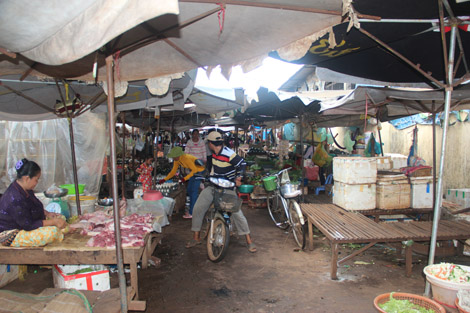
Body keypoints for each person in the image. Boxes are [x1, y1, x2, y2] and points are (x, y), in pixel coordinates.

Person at [186, 131, 257, 253]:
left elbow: (242, 164)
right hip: (213, 186)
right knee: (198, 207)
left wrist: (239, 177)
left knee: (237, 212)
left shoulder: (228, 153)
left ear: (211, 143)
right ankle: (196, 237)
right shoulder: (213, 154)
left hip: (228, 188)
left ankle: (249, 240)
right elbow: (212, 169)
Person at [0, 158, 67, 247]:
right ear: (27, 178)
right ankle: (60, 232)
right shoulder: (15, 198)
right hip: (12, 233)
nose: (37, 182)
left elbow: (34, 206)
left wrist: (48, 214)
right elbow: (28, 225)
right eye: (36, 179)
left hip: (25, 224)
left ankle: (61, 229)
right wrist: (53, 222)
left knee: (60, 217)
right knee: (53, 232)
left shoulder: (26, 189)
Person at [158, 147, 205, 219]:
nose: (173, 158)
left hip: (199, 171)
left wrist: (184, 179)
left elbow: (195, 170)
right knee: (189, 190)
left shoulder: (186, 158)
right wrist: (164, 179)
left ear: (178, 155)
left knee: (193, 191)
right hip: (193, 172)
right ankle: (195, 205)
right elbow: (173, 172)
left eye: (174, 157)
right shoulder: (177, 160)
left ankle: (192, 213)